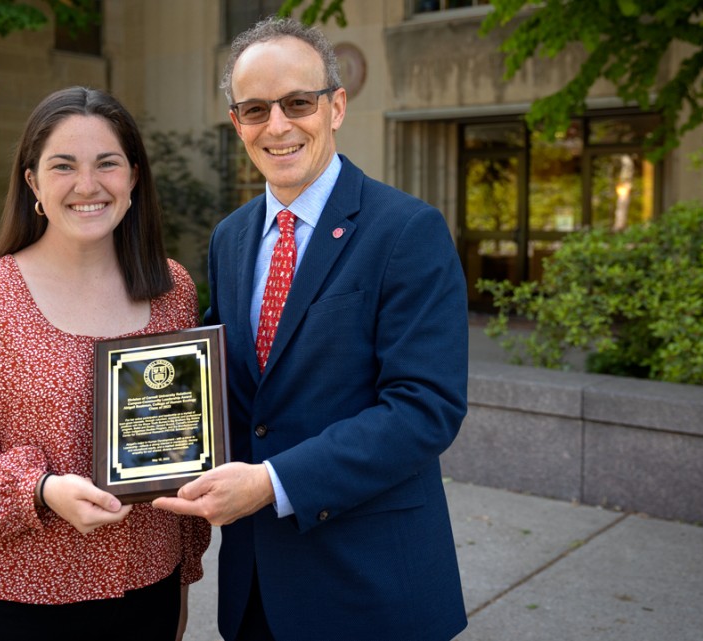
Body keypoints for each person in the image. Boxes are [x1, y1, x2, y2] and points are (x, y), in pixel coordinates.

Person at [152, 17, 469, 641]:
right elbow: (223, 384)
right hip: (256, 590)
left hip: (368, 586)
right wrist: (144, 443)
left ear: (337, 106)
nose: (277, 125)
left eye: (298, 102)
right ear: (236, 121)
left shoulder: (407, 231)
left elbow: (424, 408)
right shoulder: (231, 236)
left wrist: (272, 483)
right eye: (254, 109)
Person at [0, 86, 210, 641]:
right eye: (64, 166)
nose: (88, 185)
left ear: (134, 177)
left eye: (107, 164)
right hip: (18, 601)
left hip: (148, 591)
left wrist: (181, 584)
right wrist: (42, 490)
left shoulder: (172, 292)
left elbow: (180, 448)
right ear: (33, 183)